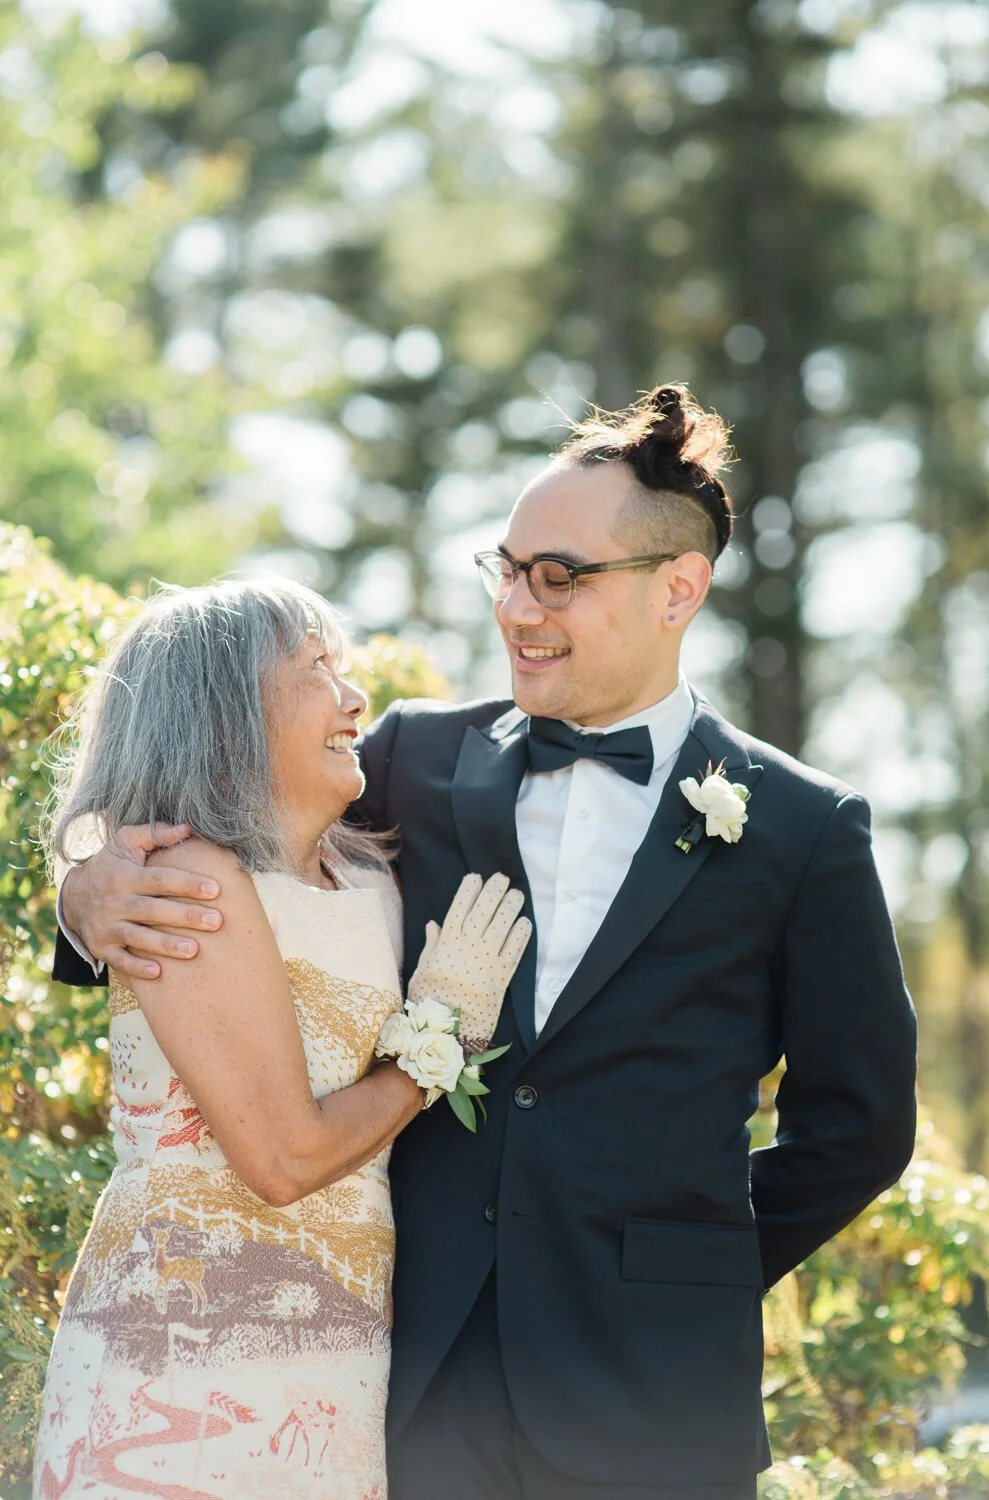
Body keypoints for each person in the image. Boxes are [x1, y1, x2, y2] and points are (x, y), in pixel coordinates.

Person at [55, 385, 918, 1500]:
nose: (516, 607)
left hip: (655, 1401)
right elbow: (227, 837)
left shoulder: (803, 826)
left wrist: (686, 1271)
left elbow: (859, 1124)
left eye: (558, 576)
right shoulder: (410, 760)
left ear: (676, 589)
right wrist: (84, 894)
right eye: (505, 570)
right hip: (414, 1381)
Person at [34, 578, 530, 1500]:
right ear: (224, 713)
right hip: (181, 1373)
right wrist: (442, 1040)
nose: (355, 697)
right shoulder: (184, 882)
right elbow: (282, 1158)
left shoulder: (373, 879)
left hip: (337, 1368)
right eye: (316, 667)